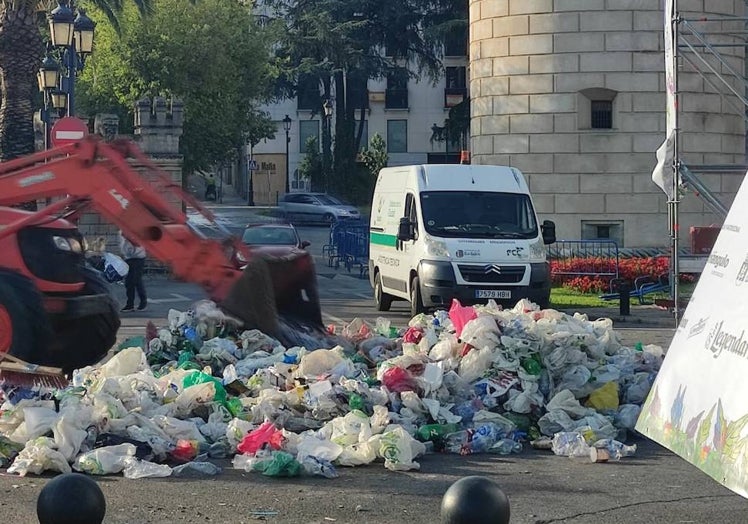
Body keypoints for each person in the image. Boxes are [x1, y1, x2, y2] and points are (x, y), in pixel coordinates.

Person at [119, 231, 147, 311]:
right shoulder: (121, 230)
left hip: (138, 257)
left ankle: (143, 302)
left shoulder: (135, 229)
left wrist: (127, 237)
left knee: (136, 280)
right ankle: (130, 304)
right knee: (128, 282)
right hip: (128, 258)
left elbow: (138, 243)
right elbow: (123, 244)